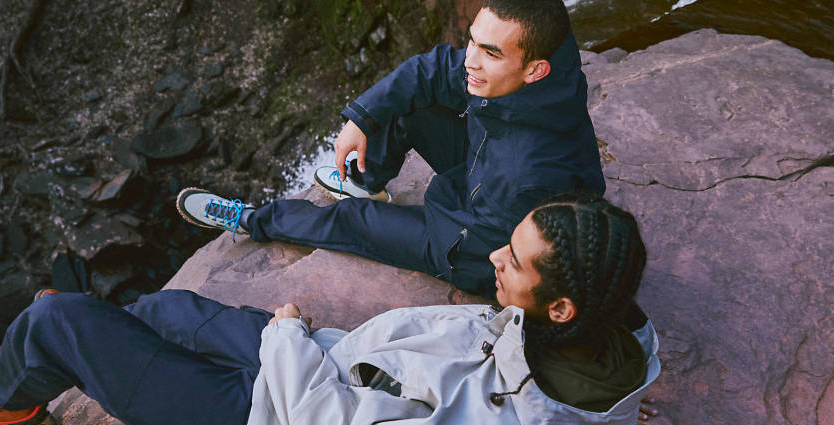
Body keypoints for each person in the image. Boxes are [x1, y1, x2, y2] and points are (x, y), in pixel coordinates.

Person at [0, 193, 660, 425]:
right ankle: (74, 347)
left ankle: (4, 393)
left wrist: (286, 336)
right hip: (309, 365)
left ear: (558, 306)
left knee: (62, 316)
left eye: (515, 259)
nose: (495, 255)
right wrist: (295, 343)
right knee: (162, 308)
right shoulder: (582, 327)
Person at [176, 0, 604, 297]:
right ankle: (368, 181)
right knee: (404, 107)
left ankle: (251, 220)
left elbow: (484, 245)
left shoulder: (525, 174)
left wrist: (406, 220)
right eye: (472, 40)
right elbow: (433, 69)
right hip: (484, 168)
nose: (471, 60)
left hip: (475, 243)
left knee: (354, 221)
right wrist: (361, 116)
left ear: (534, 69)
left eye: (489, 53)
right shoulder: (545, 53)